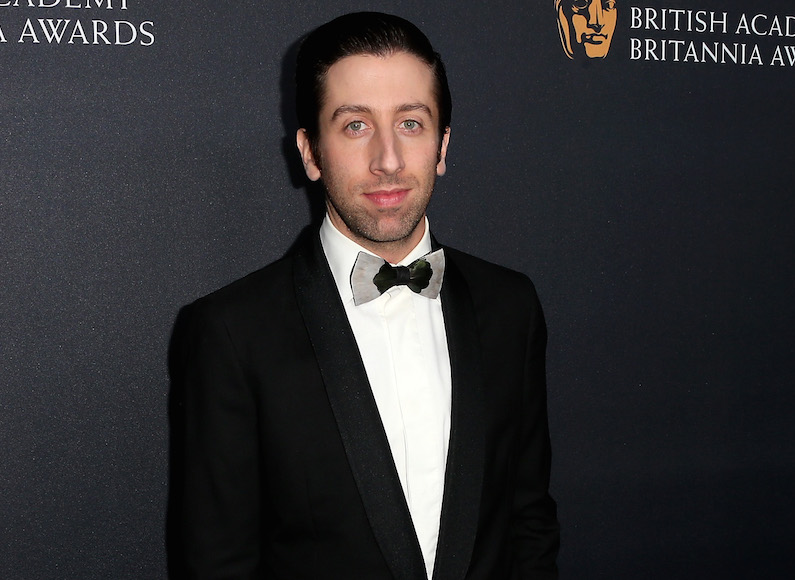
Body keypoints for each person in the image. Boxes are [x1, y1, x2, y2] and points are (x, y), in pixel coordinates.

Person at [170, 11, 559, 579]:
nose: (388, 161)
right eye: (355, 125)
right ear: (309, 152)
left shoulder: (511, 307)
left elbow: (529, 524)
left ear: (443, 145)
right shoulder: (231, 333)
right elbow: (217, 563)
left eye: (410, 123)